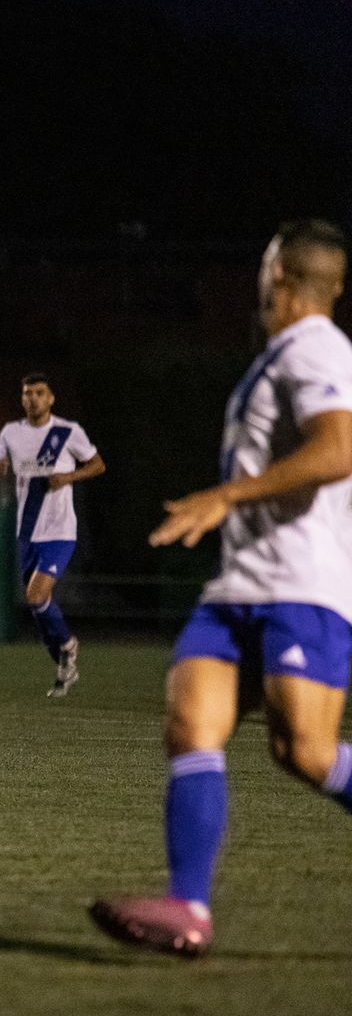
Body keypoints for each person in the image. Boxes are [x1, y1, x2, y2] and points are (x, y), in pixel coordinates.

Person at [91, 220, 352, 958]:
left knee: (303, 749)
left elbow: (341, 448)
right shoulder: (275, 359)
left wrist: (229, 495)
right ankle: (189, 907)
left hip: (301, 585)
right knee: (190, 723)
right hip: (239, 584)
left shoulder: (320, 349)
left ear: (279, 276)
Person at [0, 373, 106, 696]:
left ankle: (67, 644)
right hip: (27, 532)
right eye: (28, 393)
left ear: (51, 398)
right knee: (35, 603)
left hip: (60, 531)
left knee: (37, 595)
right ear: (22, 398)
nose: (33, 398)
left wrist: (69, 476)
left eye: (39, 393)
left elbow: (97, 464)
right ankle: (64, 659)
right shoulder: (11, 432)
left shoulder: (68, 432)